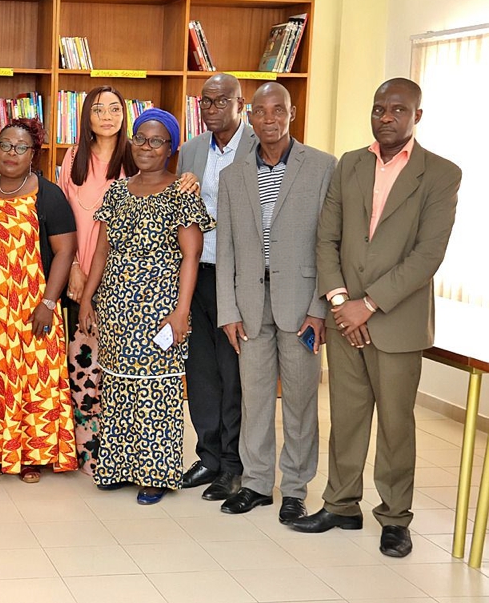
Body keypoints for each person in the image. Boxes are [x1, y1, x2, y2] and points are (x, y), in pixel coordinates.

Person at [291, 78, 462, 559]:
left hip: (396, 321)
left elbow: (429, 254)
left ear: (417, 116)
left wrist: (371, 303)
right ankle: (341, 505)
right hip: (346, 316)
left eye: (397, 110)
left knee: (395, 425)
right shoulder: (350, 164)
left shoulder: (442, 173)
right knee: (345, 418)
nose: (385, 117)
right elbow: (327, 238)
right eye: (378, 108)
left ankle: (394, 517)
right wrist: (343, 300)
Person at [214, 83, 335, 522]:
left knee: (302, 400)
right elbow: (225, 248)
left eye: (277, 110)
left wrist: (319, 308)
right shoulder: (234, 175)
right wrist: (227, 310)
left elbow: (329, 243)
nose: (269, 119)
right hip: (248, 304)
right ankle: (258, 483)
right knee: (255, 398)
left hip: (301, 303)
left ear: (292, 113)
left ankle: (296, 488)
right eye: (260, 111)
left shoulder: (322, 167)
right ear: (249, 115)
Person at [79, 108, 212, 505]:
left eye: (156, 141)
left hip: (161, 308)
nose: (146, 147)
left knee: (156, 390)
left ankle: (155, 472)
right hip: (116, 306)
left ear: (170, 148)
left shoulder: (181, 194)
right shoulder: (117, 191)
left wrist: (182, 310)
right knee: (118, 384)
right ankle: (118, 467)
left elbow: (192, 257)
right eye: (140, 138)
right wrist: (87, 297)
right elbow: (101, 249)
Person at [0, 117, 78, 483]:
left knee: (32, 379)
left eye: (21, 147)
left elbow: (65, 251)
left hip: (30, 305)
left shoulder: (48, 195)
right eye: (5, 144)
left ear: (33, 154)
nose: (11, 153)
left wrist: (49, 303)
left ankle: (30, 456)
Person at [176, 73, 256, 501]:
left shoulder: (258, 146)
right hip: (196, 271)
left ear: (240, 103)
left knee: (233, 372)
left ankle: (233, 464)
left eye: (221, 100)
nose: (211, 108)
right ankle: (207, 456)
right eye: (205, 101)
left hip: (240, 276)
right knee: (201, 370)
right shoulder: (189, 150)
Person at [58, 86, 134, 475]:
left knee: (119, 368)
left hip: (122, 280)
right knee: (82, 368)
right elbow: (63, 220)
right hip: (80, 275)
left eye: (115, 108)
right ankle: (88, 454)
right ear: (86, 116)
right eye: (99, 109)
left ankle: (122, 453)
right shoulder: (73, 159)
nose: (107, 115)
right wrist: (72, 266)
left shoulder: (136, 158)